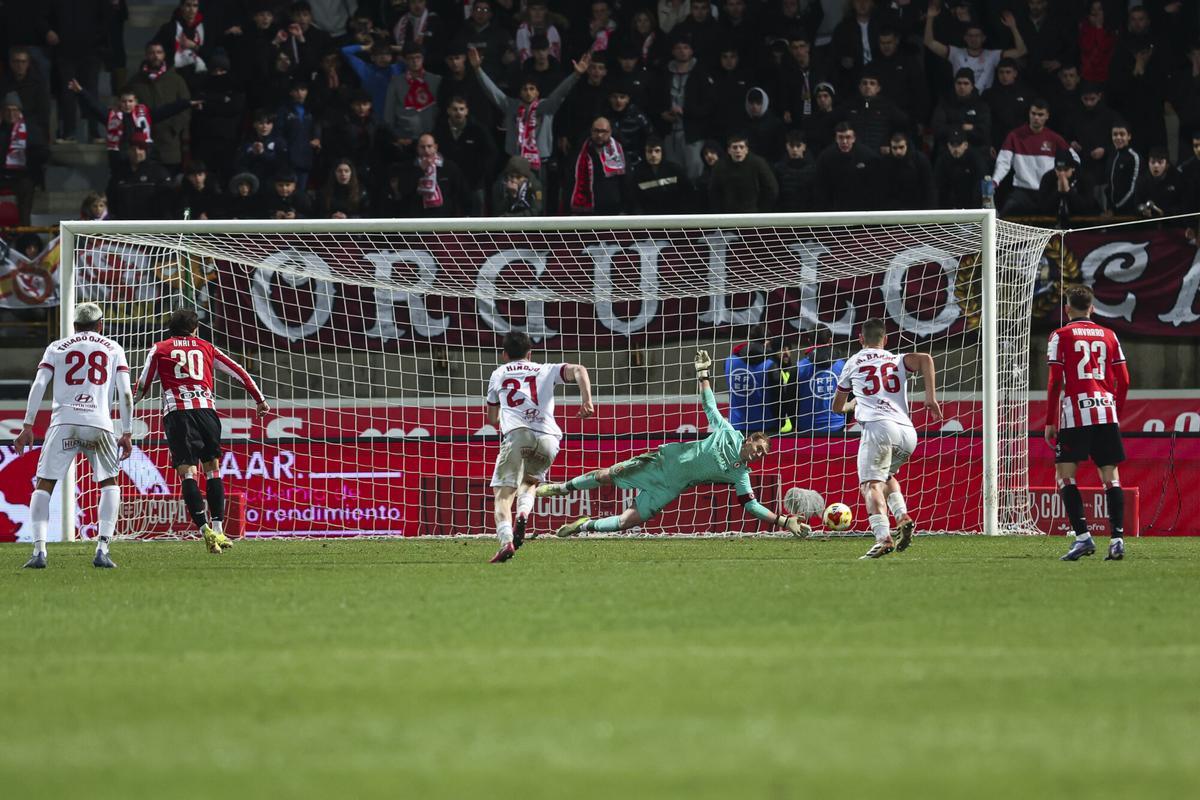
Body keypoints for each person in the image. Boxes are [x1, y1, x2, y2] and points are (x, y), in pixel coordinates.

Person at [538, 349, 811, 538]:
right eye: (759, 449)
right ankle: (560, 488)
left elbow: (751, 506)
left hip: (670, 486)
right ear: (751, 440)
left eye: (762, 456)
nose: (758, 456)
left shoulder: (740, 473)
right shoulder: (728, 432)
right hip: (661, 462)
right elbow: (710, 405)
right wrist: (703, 373)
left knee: (628, 521)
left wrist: (784, 521)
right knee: (609, 474)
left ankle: (584, 526)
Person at [134, 308, 269, 555]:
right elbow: (237, 369)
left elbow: (143, 384)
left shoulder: (160, 348)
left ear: (170, 328)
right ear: (195, 329)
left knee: (188, 474)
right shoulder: (205, 347)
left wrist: (126, 406)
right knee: (213, 469)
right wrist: (259, 398)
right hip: (206, 412)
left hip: (178, 415)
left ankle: (204, 529)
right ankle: (219, 529)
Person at [15, 303, 133, 569]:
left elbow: (39, 385)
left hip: (63, 422)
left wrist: (27, 424)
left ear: (74, 325)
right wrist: (126, 431)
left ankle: (39, 552)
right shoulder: (114, 348)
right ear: (100, 325)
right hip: (99, 423)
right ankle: (102, 548)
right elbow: (125, 392)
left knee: (44, 484)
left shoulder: (57, 347)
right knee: (110, 483)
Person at [831, 318, 943, 559]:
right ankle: (902, 516)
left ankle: (883, 537)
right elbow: (926, 358)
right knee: (887, 476)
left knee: (870, 485)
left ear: (861, 339)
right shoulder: (896, 359)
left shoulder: (853, 362)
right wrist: (930, 398)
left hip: (879, 429)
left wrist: (853, 403)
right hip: (907, 433)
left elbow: (837, 407)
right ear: (886, 339)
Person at [484, 331, 593, 563]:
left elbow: (492, 418)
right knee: (530, 480)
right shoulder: (545, 368)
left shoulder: (498, 374)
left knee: (503, 495)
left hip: (518, 435)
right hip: (549, 439)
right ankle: (524, 512)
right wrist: (586, 400)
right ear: (530, 353)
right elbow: (579, 370)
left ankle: (506, 542)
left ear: (504, 355)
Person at [1045, 285, 1130, 562]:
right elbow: (1125, 380)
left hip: (1075, 413)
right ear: (1092, 308)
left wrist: (1049, 420)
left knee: (1065, 474)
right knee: (1110, 475)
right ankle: (1117, 539)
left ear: (1067, 309)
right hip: (1106, 411)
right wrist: (1115, 409)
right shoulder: (1109, 335)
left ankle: (1083, 538)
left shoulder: (1060, 335)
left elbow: (1056, 380)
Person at [992, 100, 1073, 216]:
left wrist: (1066, 178)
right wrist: (995, 180)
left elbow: (1074, 159)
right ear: (1029, 114)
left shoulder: (1055, 138)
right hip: (1022, 192)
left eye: (1040, 115)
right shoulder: (1014, 136)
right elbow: (1004, 162)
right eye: (1033, 113)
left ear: (1047, 116)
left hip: (1047, 192)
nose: (1036, 118)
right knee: (1005, 218)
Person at [924, 2, 1027, 93]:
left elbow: (1020, 51)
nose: (974, 39)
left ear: (983, 38)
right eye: (970, 36)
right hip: (960, 99)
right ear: (965, 38)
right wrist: (930, 18)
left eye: (977, 36)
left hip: (984, 101)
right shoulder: (956, 53)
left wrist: (1013, 27)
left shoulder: (992, 55)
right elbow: (929, 42)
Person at [569, 116, 629, 214]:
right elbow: (570, 181)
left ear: (610, 132)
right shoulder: (580, 153)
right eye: (596, 131)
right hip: (586, 212)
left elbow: (626, 182)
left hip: (614, 211)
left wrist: (626, 209)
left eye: (604, 131)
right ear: (591, 131)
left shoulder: (619, 152)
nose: (599, 135)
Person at [708, 134, 778, 213]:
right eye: (735, 147)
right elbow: (714, 192)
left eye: (741, 147)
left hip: (754, 212)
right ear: (729, 150)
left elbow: (771, 188)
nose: (738, 150)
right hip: (728, 214)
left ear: (746, 150)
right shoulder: (720, 167)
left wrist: (761, 211)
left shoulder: (758, 164)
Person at [1103, 120, 1140, 215]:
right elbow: (1109, 185)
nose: (1118, 137)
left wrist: (1116, 208)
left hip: (1128, 212)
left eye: (1122, 134)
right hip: (1111, 211)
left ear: (1129, 136)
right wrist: (1109, 208)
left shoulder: (1134, 157)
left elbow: (1133, 189)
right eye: (1115, 134)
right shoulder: (1112, 156)